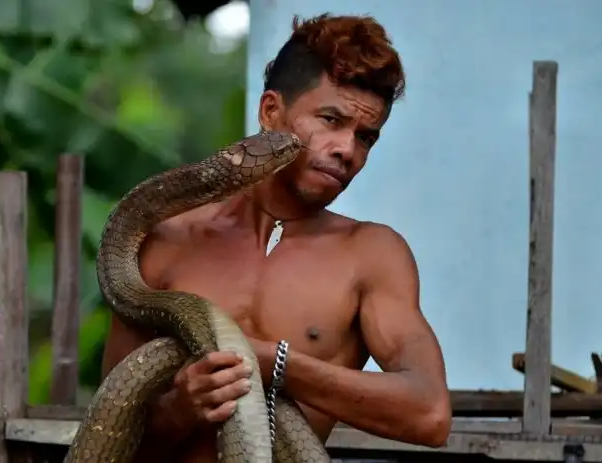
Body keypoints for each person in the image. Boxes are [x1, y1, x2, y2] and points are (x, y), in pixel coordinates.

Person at [101, 12, 451, 462]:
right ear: (271, 112)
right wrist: (181, 408)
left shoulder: (372, 256)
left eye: (366, 137)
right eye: (331, 119)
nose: (347, 150)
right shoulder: (168, 240)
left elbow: (429, 414)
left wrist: (275, 364)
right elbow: (111, 431)